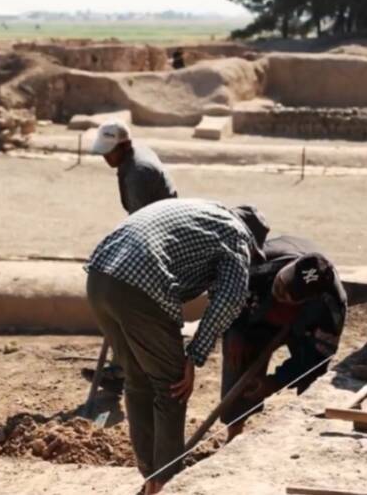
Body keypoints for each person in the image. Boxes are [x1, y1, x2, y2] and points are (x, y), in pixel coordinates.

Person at [85, 198, 268, 494]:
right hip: (142, 286)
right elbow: (231, 299)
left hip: (99, 277)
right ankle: (166, 483)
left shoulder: (203, 213)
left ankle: (151, 477)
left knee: (138, 381)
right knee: (174, 387)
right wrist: (194, 355)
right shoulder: (237, 234)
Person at [220, 236, 346, 441]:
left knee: (312, 379)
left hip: (303, 331)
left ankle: (304, 435)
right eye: (279, 285)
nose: (277, 293)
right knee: (237, 362)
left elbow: (317, 358)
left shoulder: (331, 311)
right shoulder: (259, 264)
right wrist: (236, 328)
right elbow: (226, 293)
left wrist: (275, 381)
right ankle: (234, 433)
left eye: (284, 296)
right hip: (255, 316)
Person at [85, 121, 179, 392]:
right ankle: (121, 368)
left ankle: (127, 372)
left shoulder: (138, 172)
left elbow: (144, 225)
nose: (105, 157)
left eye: (108, 152)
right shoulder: (131, 159)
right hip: (152, 230)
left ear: (124, 146)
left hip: (155, 240)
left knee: (125, 304)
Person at [92, 121, 177, 215]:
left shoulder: (137, 174)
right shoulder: (132, 153)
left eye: (110, 150)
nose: (105, 156)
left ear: (126, 145)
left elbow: (139, 222)